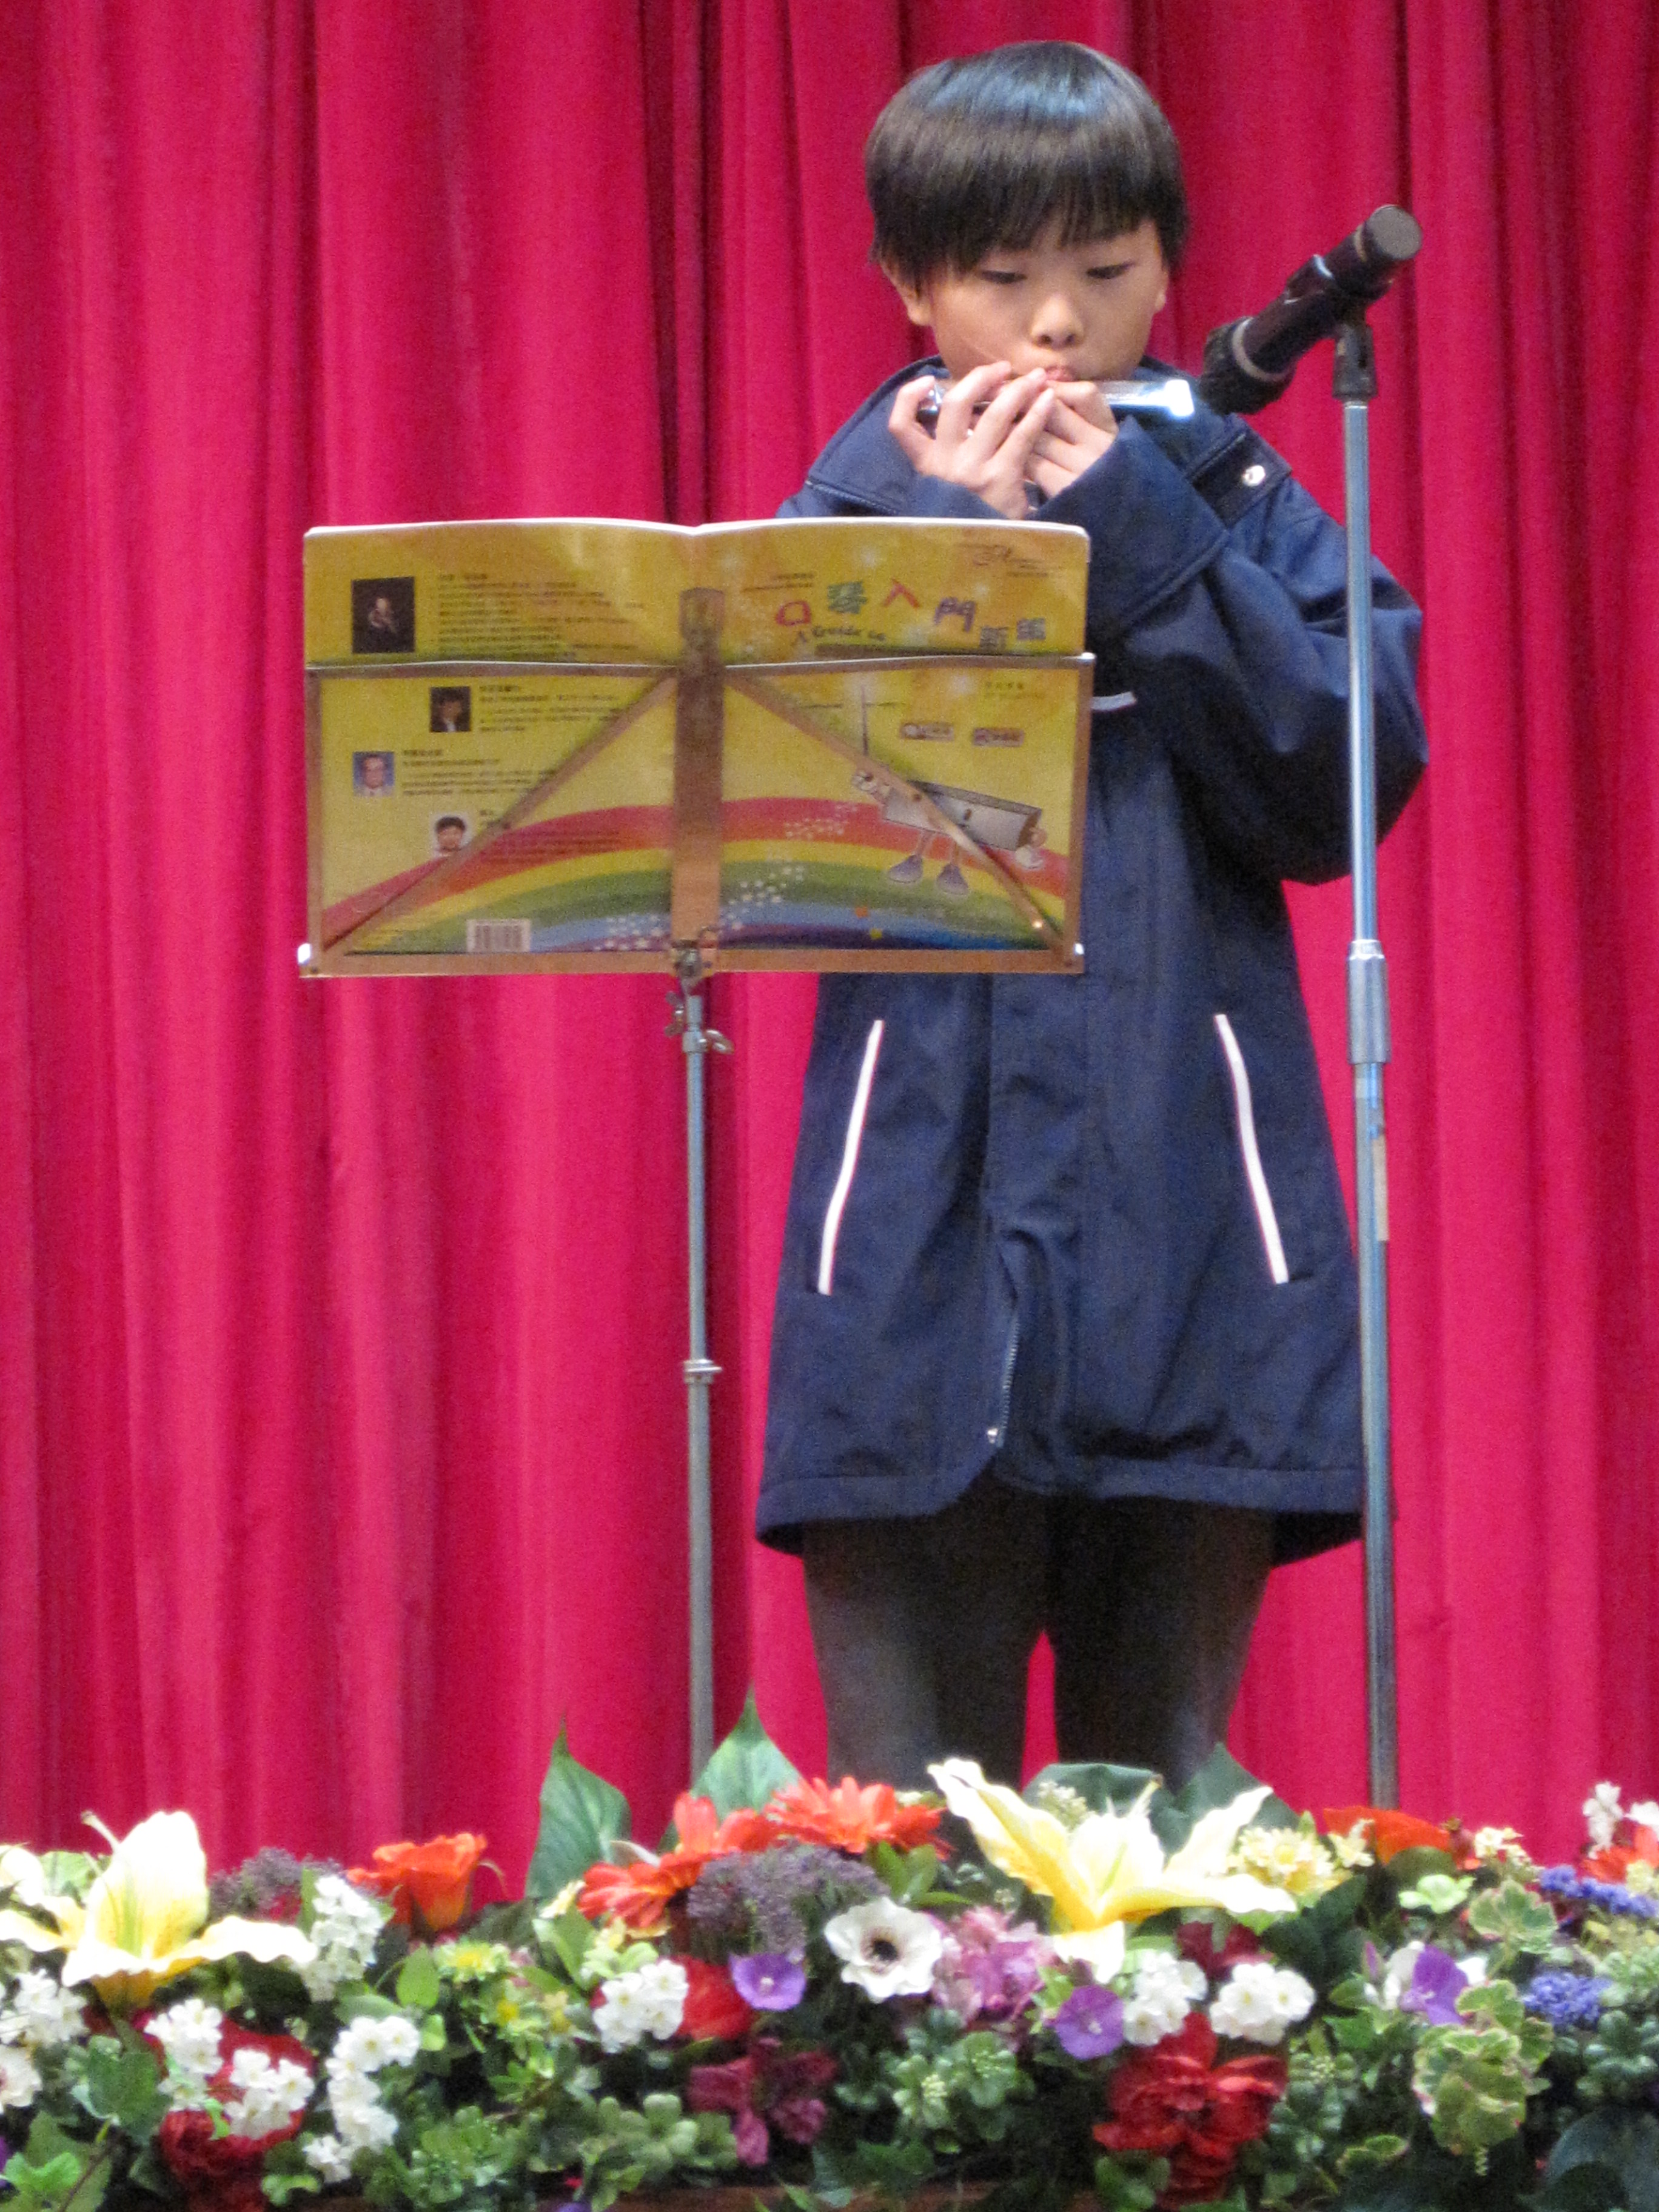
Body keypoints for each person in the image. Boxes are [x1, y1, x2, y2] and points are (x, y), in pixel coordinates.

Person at [755, 42, 1427, 1792]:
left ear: (1168, 266)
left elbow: (1334, 786)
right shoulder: (836, 518)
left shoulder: (1236, 504)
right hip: (908, 1253)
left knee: (1165, 1839)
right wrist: (944, 557)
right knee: (908, 1858)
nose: (1059, 326)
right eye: (1003, 278)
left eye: (1109, 270)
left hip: (1195, 1234)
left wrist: (1131, 527)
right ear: (912, 287)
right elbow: (765, 842)